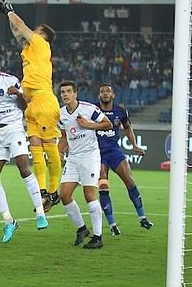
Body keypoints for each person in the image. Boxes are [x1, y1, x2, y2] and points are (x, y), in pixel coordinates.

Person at [0, 50, 48, 243]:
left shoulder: (11, 80)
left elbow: (25, 107)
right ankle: (9, 221)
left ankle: (40, 213)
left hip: (15, 128)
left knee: (24, 168)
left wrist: (18, 94)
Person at [0, 0, 62, 212]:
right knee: (35, 146)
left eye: (36, 30)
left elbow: (21, 26)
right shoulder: (30, 50)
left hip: (44, 99)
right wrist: (8, 16)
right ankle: (43, 192)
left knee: (49, 146)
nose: (31, 32)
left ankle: (54, 192)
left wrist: (10, 10)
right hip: (32, 102)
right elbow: (17, 31)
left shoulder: (41, 44)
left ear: (42, 34)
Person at [58, 81, 112, 249]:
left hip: (90, 156)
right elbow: (64, 136)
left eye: (68, 91)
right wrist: (60, 151)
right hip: (73, 158)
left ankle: (98, 237)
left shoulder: (88, 109)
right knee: (64, 195)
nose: (65, 94)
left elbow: (108, 124)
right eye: (62, 92)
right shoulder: (61, 114)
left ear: (75, 93)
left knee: (89, 194)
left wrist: (89, 125)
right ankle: (82, 229)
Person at [96, 83, 154, 235]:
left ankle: (142, 217)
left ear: (113, 95)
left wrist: (134, 145)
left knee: (130, 182)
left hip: (114, 152)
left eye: (108, 91)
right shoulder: (93, 110)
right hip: (98, 154)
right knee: (103, 187)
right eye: (102, 91)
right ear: (99, 95)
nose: (105, 93)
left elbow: (127, 127)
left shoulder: (120, 111)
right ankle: (112, 225)